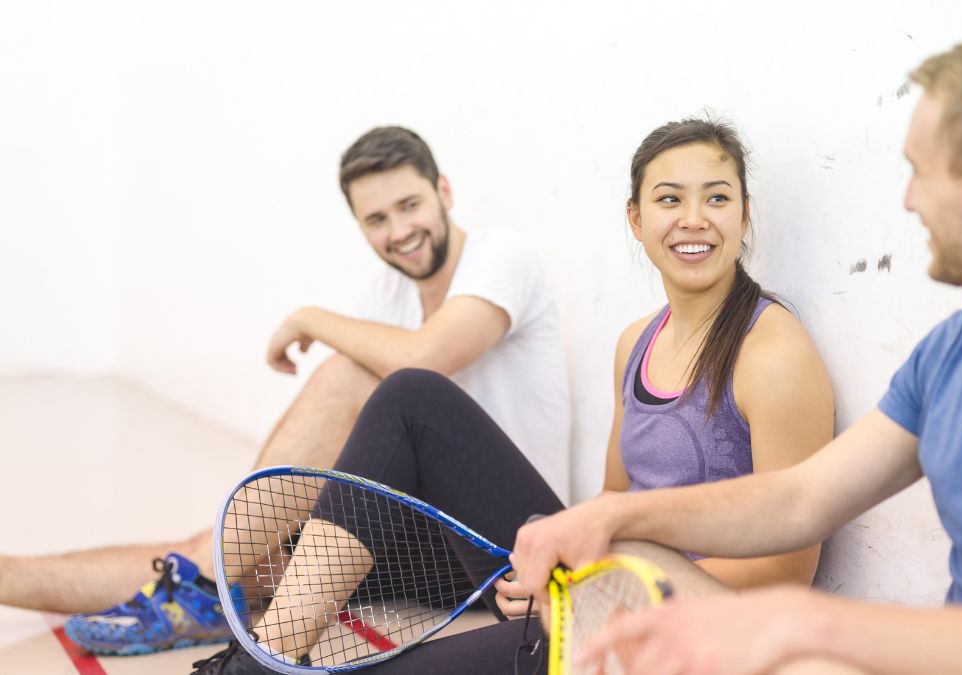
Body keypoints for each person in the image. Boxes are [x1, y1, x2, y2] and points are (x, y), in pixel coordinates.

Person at [510, 29, 962, 675]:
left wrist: (798, 620)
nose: (907, 200)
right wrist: (611, 515)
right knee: (625, 551)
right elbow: (801, 496)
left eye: (920, 172)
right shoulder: (959, 348)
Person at [189, 117, 835, 674]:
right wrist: (560, 570)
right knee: (412, 398)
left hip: (690, 634)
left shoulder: (773, 353)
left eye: (716, 198)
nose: (693, 219)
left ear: (745, 214)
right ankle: (258, 662)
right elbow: (617, 504)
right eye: (670, 199)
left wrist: (603, 591)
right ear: (637, 220)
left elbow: (786, 570)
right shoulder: (637, 341)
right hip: (605, 595)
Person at [0, 126, 571, 655]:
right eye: (376, 219)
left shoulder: (502, 257)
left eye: (409, 205)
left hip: (501, 535)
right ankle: (19, 578)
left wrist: (306, 317)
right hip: (417, 536)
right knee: (232, 559)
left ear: (443, 191)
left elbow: (422, 358)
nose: (398, 231)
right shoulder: (386, 295)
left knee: (348, 377)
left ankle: (201, 583)